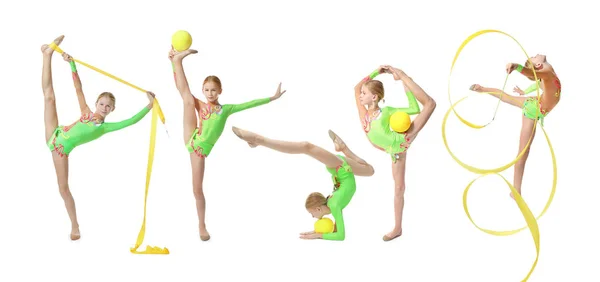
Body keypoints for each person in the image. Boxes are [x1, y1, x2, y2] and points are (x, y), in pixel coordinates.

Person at [41, 35, 155, 240]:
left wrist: (149, 105)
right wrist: (72, 65)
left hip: (60, 150)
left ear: (112, 110)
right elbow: (78, 88)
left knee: (63, 188)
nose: (104, 107)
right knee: (49, 97)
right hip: (55, 133)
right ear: (96, 104)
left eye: (108, 106)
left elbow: (131, 121)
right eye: (101, 103)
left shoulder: (105, 128)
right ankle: (47, 55)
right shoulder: (85, 111)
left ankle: (75, 226)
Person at [169, 47, 286, 241]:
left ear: (220, 90)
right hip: (192, 139)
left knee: (197, 190)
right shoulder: (201, 104)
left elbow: (250, 103)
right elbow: (182, 89)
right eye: (206, 90)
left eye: (213, 90)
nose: (210, 93)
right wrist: (171, 62)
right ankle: (177, 61)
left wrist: (272, 98)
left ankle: (201, 224)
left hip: (200, 150)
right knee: (187, 99)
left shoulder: (226, 109)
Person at [231, 127, 375, 241]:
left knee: (370, 171)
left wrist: (318, 233)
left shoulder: (332, 204)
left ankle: (343, 148)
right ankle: (258, 139)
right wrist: (318, 234)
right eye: (311, 213)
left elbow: (337, 230)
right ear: (318, 209)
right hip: (339, 167)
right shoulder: (334, 205)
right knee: (306, 146)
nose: (312, 217)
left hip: (341, 169)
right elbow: (340, 235)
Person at [353, 65, 436, 241]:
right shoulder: (363, 114)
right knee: (399, 188)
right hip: (393, 151)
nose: (360, 95)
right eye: (361, 94)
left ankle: (405, 76)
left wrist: (404, 81)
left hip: (402, 141)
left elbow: (414, 108)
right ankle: (398, 228)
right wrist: (376, 71)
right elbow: (355, 87)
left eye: (364, 93)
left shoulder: (388, 111)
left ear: (374, 97)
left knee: (429, 105)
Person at [469, 54, 562, 199]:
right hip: (533, 110)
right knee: (523, 152)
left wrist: (525, 91)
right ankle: (516, 190)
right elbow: (533, 74)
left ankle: (482, 89)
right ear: (538, 65)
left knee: (506, 98)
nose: (535, 55)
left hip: (536, 103)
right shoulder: (546, 73)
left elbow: (536, 80)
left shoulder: (546, 74)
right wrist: (517, 66)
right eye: (533, 57)